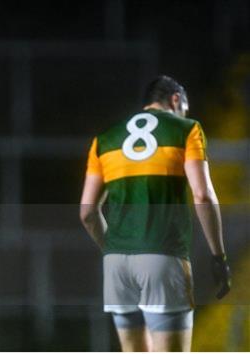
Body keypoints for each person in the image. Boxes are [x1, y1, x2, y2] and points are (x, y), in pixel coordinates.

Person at [79, 75, 231, 352]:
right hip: (163, 257)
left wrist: (112, 249)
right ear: (176, 100)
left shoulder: (104, 140)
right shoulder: (187, 129)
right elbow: (203, 195)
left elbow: (88, 213)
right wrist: (218, 256)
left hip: (117, 266)